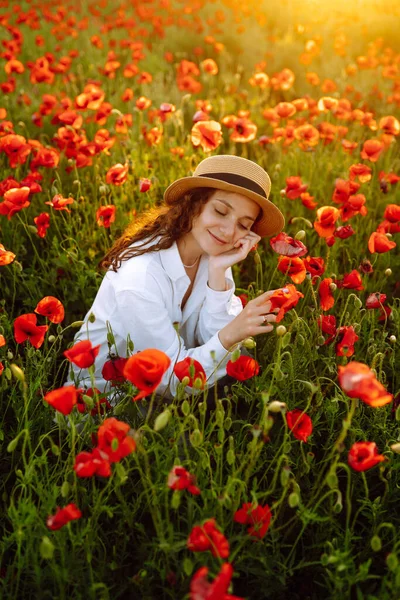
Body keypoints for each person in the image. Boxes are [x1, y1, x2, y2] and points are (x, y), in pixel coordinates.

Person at [65, 154, 285, 402]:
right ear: (193, 205)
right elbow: (169, 380)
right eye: (221, 211)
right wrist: (231, 334)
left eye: (244, 225)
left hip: (169, 403)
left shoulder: (213, 253)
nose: (229, 231)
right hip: (105, 403)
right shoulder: (140, 277)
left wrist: (218, 273)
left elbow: (211, 342)